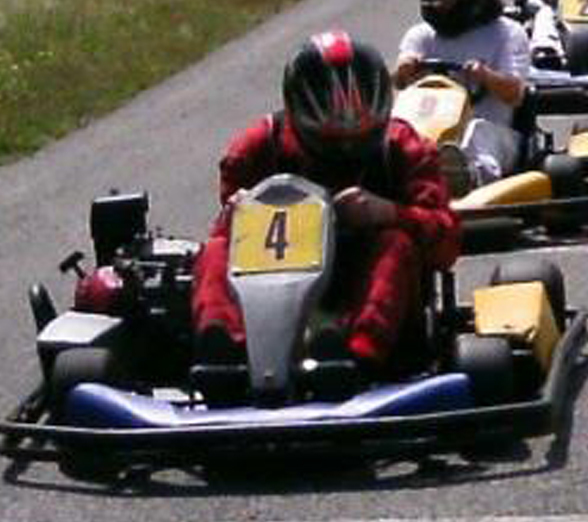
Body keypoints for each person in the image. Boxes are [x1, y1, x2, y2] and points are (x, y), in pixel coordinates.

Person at [191, 32, 460, 376]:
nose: (347, 151)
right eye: (333, 142)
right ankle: (226, 356)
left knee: (396, 243)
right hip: (266, 283)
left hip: (363, 285)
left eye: (359, 140)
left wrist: (388, 213)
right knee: (214, 249)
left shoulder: (402, 148)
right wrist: (236, 216)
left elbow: (447, 243)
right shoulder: (259, 147)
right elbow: (225, 231)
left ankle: (355, 356)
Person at [393, 0, 532, 195]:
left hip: (494, 131)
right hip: (429, 132)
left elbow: (515, 94)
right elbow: (399, 79)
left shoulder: (507, 33)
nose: (435, 2)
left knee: (476, 134)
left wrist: (487, 77)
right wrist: (405, 69)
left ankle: (465, 177)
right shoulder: (420, 35)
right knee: (395, 133)